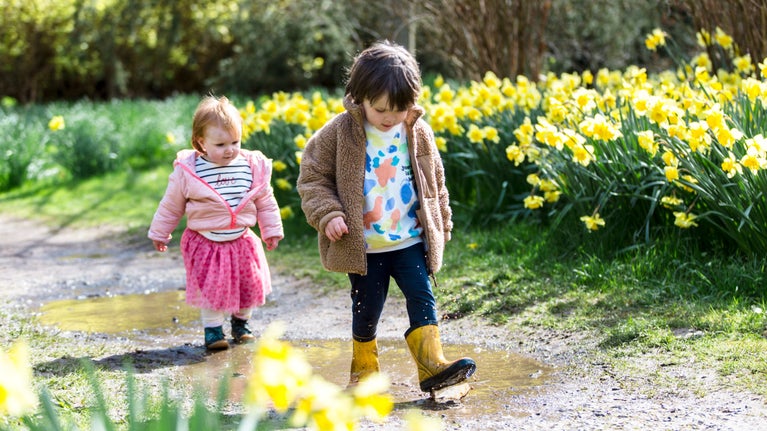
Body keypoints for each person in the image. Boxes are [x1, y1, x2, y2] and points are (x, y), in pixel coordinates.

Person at [297, 40, 476, 393]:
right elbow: (312, 177)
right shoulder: (339, 133)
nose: (390, 117)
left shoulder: (416, 131)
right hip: (364, 247)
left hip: (409, 238)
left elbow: (434, 180)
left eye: (399, 108)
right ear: (358, 97)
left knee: (422, 297)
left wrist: (442, 220)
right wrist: (328, 214)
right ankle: (364, 374)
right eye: (380, 109)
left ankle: (432, 366)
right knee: (367, 308)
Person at [148, 95, 283, 350]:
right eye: (220, 144)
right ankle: (213, 330)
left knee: (249, 285)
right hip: (206, 242)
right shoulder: (190, 171)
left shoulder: (250, 166)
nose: (230, 149)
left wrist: (271, 230)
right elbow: (171, 205)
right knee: (212, 290)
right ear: (201, 142)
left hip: (242, 239)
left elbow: (265, 200)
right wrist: (160, 232)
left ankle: (241, 324)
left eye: (235, 141)